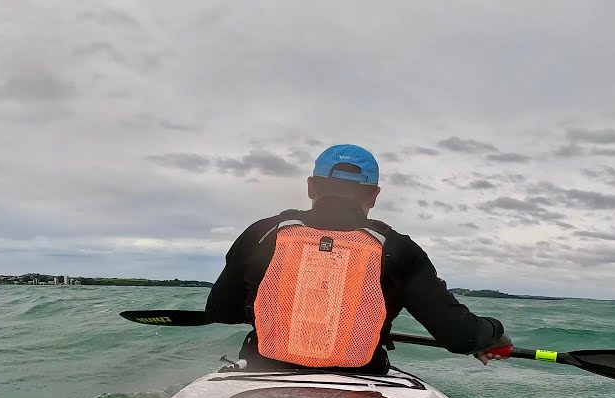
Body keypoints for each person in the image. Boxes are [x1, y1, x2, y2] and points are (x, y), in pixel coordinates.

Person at [206, 143, 511, 373]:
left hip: (263, 372)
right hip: (359, 380)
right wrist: (492, 334)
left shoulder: (262, 233)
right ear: (373, 196)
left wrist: (266, 310)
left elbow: (221, 310)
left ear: (311, 187)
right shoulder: (397, 248)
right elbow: (458, 335)